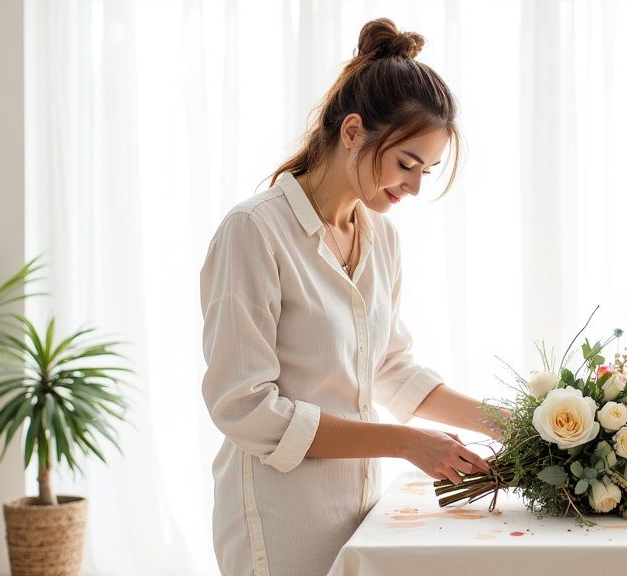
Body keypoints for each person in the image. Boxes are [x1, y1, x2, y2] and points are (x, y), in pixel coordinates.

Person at [199, 18, 498, 576]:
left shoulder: (380, 237)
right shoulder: (254, 232)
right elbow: (244, 408)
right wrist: (406, 443)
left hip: (360, 512)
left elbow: (389, 368)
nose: (414, 187)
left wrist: (506, 422)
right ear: (353, 131)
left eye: (427, 171)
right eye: (407, 163)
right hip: (278, 516)